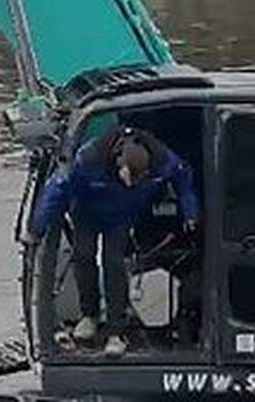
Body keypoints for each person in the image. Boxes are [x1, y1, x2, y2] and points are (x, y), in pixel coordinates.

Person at [27, 125, 199, 357]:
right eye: (129, 177)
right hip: (86, 211)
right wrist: (36, 229)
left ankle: (116, 330)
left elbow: (183, 177)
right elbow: (57, 190)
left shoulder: (163, 160)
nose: (132, 183)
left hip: (121, 217)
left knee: (114, 263)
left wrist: (190, 213)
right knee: (84, 255)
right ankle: (90, 314)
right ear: (118, 162)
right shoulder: (88, 159)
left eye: (140, 179)